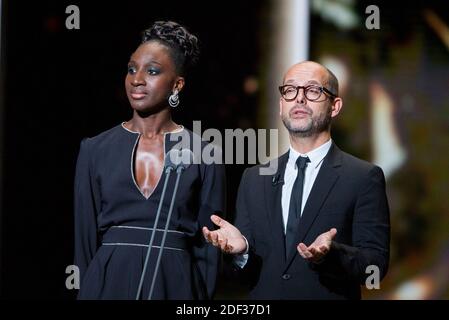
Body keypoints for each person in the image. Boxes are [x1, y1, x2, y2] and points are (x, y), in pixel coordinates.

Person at [203, 61, 390, 299]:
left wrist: (331, 255)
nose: (299, 99)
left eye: (312, 90)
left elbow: (375, 267)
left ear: (335, 106)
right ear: (281, 106)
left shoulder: (363, 177)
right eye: (290, 90)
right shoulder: (254, 178)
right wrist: (242, 253)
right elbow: (246, 276)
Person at [74, 21, 225, 300]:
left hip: (176, 285)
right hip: (107, 283)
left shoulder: (205, 153)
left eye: (152, 71)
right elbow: (84, 242)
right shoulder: (94, 149)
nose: (137, 79)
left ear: (177, 85)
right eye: (132, 69)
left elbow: (209, 248)